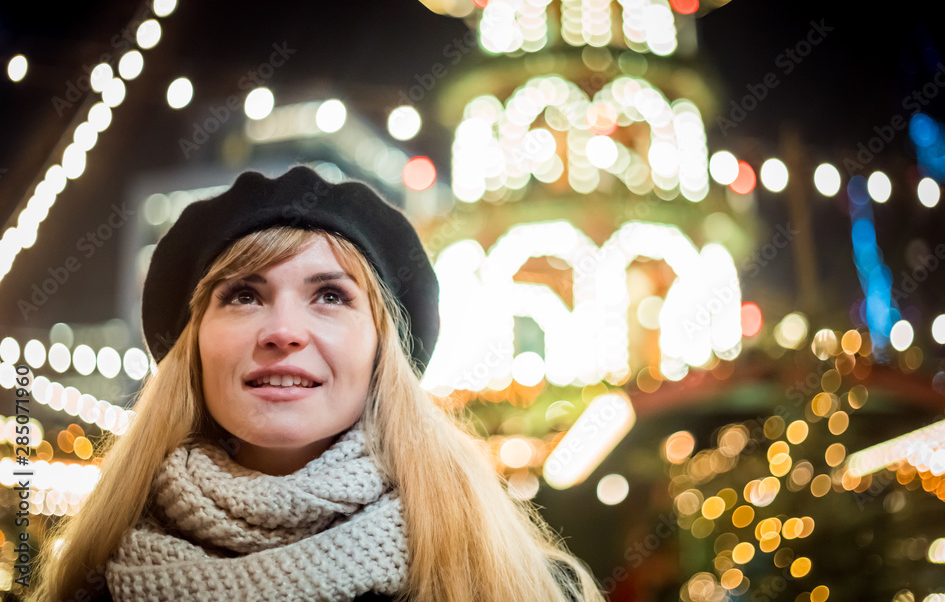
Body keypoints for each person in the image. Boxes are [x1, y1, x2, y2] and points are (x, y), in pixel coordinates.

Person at [28, 165, 606, 602]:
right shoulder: (94, 582)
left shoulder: (522, 585)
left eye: (331, 296)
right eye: (243, 295)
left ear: (383, 349)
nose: (282, 331)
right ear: (194, 346)